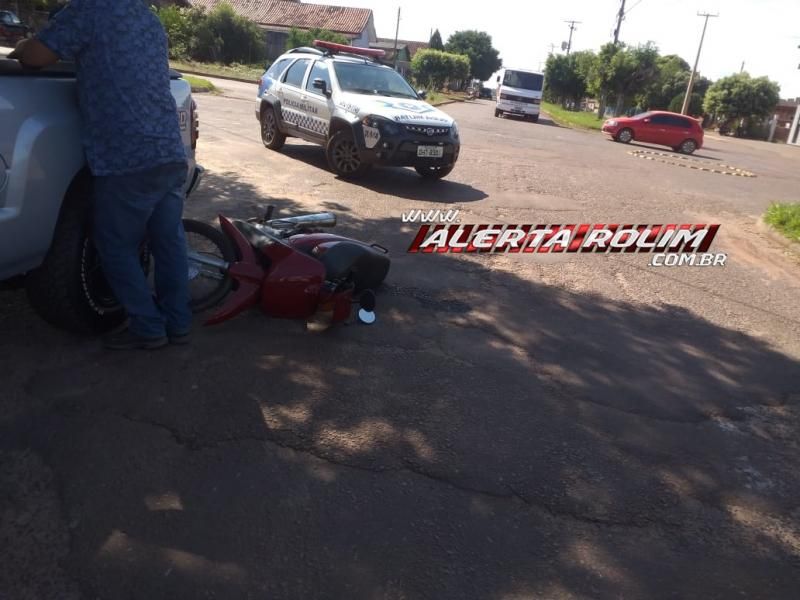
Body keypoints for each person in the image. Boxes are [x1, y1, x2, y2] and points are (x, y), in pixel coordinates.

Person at [9, 0, 192, 351]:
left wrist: (21, 45)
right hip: (168, 150)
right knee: (168, 242)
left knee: (115, 246)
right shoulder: (148, 19)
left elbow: (35, 56)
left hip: (127, 156)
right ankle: (178, 323)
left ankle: (148, 327)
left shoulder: (88, 11)